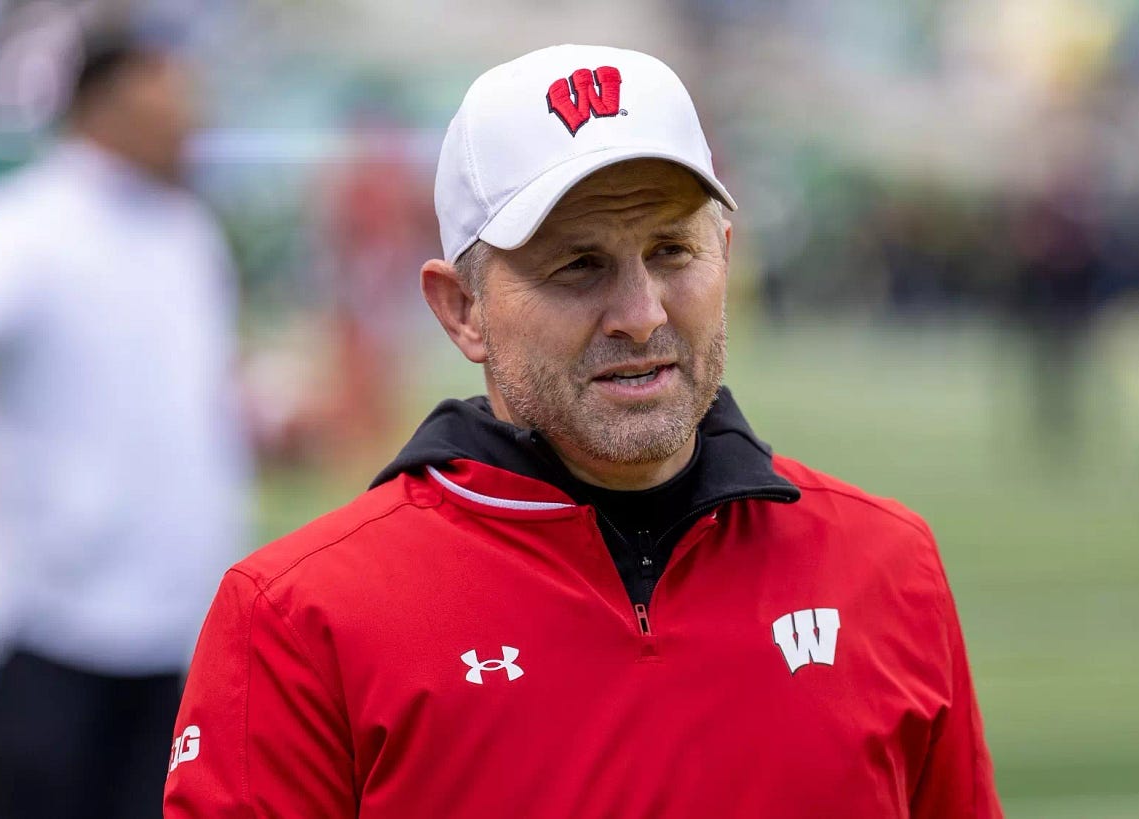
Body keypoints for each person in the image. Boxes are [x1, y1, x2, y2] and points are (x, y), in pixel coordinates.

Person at [166, 44, 1000, 817]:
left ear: (726, 256)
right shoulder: (298, 618)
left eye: (672, 251)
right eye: (578, 265)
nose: (642, 314)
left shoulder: (888, 564)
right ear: (462, 311)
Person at [0, 36, 250, 819]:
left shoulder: (187, 232)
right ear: (101, 104)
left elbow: (181, 392)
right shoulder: (19, 227)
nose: (193, 120)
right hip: (42, 629)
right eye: (169, 97)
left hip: (171, 630)